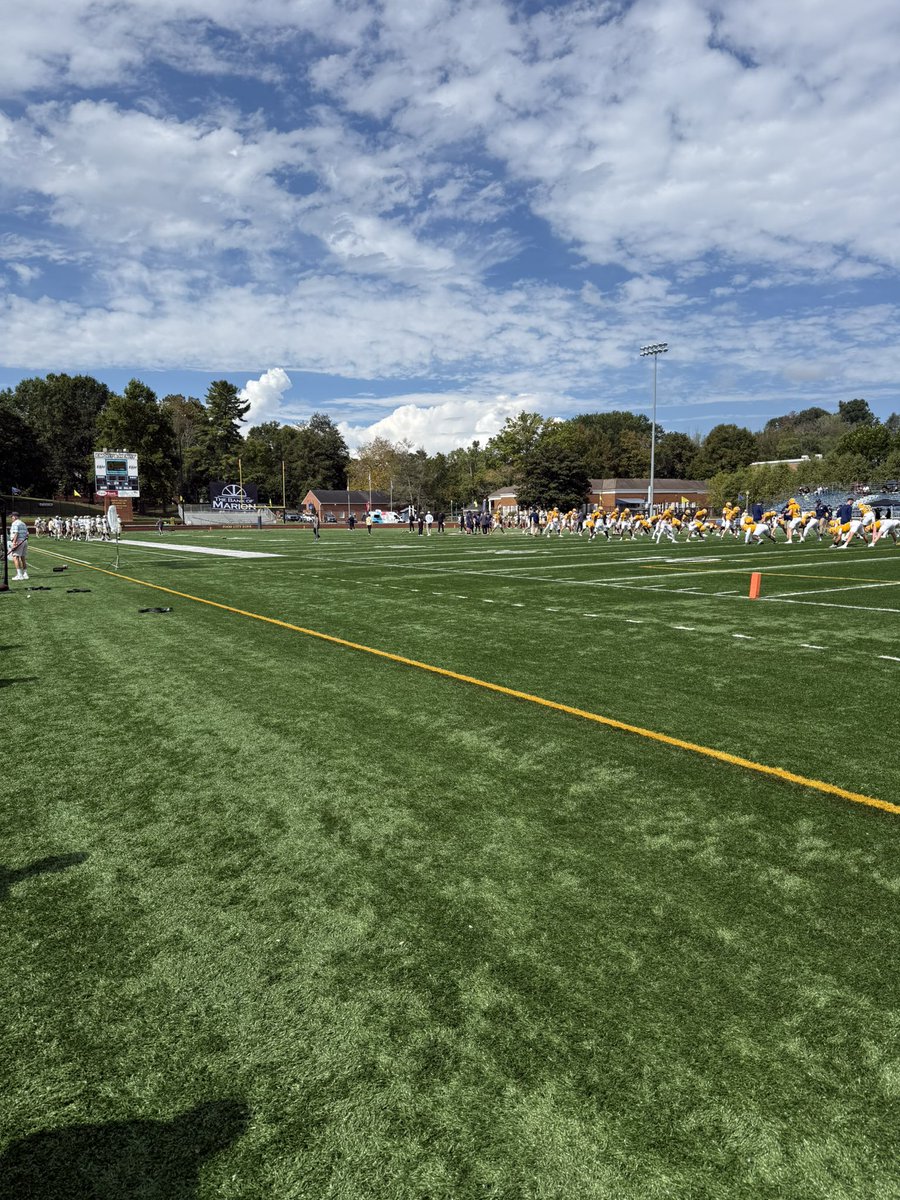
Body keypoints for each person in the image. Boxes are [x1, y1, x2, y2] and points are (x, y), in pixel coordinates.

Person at [7, 511, 28, 580]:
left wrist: (14, 543)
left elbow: (16, 533)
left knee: (15, 557)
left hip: (18, 541)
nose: (11, 518)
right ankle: (25, 574)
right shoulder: (23, 523)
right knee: (23, 558)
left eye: (12, 517)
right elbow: (27, 534)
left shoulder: (15, 523)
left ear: (15, 516)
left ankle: (19, 575)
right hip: (24, 541)